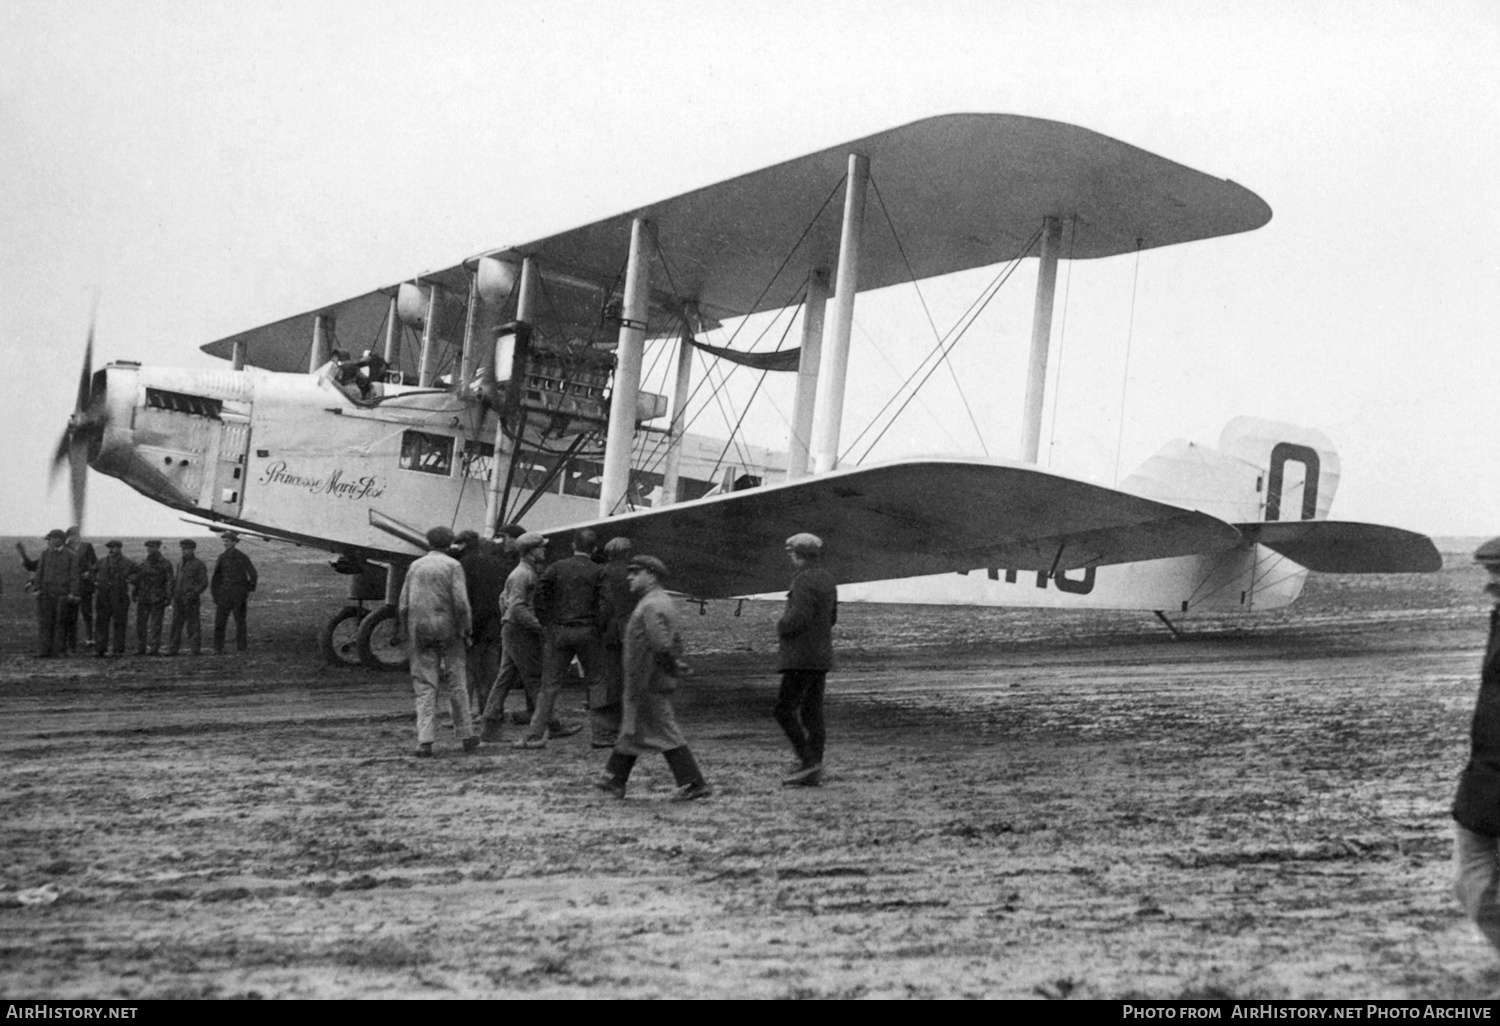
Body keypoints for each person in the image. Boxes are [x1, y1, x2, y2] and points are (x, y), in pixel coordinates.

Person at [594, 555, 711, 801]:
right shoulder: (659, 601)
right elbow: (673, 642)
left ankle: (695, 782)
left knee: (664, 731)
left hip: (648, 681)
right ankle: (614, 778)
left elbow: (660, 644)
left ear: (651, 575)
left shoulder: (651, 605)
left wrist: (670, 666)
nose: (630, 577)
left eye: (636, 573)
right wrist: (675, 666)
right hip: (648, 679)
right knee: (632, 729)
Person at [1453, 536, 1500, 960]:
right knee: (1474, 884)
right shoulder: (1499, 618)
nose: (1491, 587)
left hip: (1492, 775)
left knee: (1478, 885)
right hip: (1487, 773)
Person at [397, 525, 479, 758]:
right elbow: (461, 603)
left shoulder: (415, 566)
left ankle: (425, 740)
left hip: (420, 629)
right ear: (450, 543)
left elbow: (403, 603)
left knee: (424, 686)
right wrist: (466, 629)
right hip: (448, 628)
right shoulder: (453, 566)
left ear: (429, 542)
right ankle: (465, 734)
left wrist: (406, 630)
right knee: (457, 681)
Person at [479, 532, 568, 741]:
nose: (544, 550)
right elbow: (517, 607)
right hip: (520, 631)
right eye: (541, 547)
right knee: (535, 679)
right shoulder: (523, 575)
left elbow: (504, 601)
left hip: (513, 629)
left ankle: (489, 726)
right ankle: (552, 725)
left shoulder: (522, 572)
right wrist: (539, 626)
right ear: (531, 551)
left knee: (505, 678)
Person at [516, 529, 600, 750]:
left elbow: (540, 596)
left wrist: (547, 623)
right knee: (596, 683)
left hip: (559, 631)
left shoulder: (556, 567)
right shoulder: (598, 571)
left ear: (573, 546)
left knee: (549, 686)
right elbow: (605, 605)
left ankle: (535, 735)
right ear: (595, 549)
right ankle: (602, 733)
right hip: (587, 631)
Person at [774, 532, 838, 787]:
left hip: (800, 657)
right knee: (813, 711)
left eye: (791, 553)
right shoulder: (827, 579)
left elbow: (797, 617)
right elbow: (832, 617)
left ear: (798, 555)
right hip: (821, 656)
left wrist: (782, 626)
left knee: (783, 710)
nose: (790, 557)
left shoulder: (802, 580)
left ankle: (808, 761)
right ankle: (814, 762)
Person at [455, 530, 507, 716]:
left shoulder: (463, 564)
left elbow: (463, 598)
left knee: (469, 672)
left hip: (473, 624)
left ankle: (465, 714)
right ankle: (490, 711)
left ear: (464, 544)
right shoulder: (499, 564)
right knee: (491, 671)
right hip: (494, 624)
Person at [594, 536, 637, 749]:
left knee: (610, 679)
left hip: (608, 631)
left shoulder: (600, 572)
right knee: (631, 677)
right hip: (631, 630)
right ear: (627, 553)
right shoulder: (634, 573)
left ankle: (608, 728)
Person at [17, 530, 80, 658]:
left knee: (61, 623)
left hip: (62, 594)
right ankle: (44, 651)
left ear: (60, 540)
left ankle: (59, 651)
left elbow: (74, 576)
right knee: (45, 623)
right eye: (49, 539)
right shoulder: (45, 554)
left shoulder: (71, 556)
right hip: (46, 594)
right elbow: (39, 573)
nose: (49, 541)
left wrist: (73, 593)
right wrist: (37, 589)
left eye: (51, 539)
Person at [211, 531, 257, 654]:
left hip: (238, 594)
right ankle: (218, 647)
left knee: (240, 622)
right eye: (224, 541)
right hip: (224, 594)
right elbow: (216, 577)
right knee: (220, 622)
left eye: (228, 541)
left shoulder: (242, 556)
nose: (226, 543)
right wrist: (215, 594)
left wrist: (246, 590)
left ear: (235, 542)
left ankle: (241, 647)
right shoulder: (222, 557)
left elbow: (253, 574)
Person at [93, 540, 135, 657]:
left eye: (114, 547)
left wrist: (130, 579)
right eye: (110, 547)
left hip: (119, 597)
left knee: (119, 623)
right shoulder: (102, 562)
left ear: (120, 548)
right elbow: (91, 572)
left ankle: (118, 649)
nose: (111, 550)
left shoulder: (127, 562)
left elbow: (138, 573)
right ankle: (100, 649)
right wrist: (95, 582)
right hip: (103, 597)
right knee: (101, 623)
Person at [166, 539, 208, 656]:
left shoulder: (198, 564)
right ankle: (173, 649)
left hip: (191, 600)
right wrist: (173, 593)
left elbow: (203, 583)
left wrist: (193, 593)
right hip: (178, 599)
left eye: (187, 549)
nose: (184, 551)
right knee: (176, 625)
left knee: (193, 625)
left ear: (193, 549)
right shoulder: (180, 563)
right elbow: (176, 580)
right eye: (183, 549)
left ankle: (195, 649)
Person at [132, 540, 174, 656]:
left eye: (152, 547)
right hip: (144, 598)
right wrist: (135, 592)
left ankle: (154, 649)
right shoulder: (144, 563)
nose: (149, 549)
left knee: (155, 625)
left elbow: (170, 582)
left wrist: (168, 597)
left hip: (157, 598)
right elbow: (139, 579)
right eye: (148, 547)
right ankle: (141, 648)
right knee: (141, 625)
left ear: (158, 548)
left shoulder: (165, 563)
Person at [65, 527, 98, 652]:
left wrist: (89, 573)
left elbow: (95, 562)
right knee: (71, 615)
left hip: (85, 586)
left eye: (76, 534)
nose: (75, 536)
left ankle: (90, 638)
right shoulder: (66, 548)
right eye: (72, 534)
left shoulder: (87, 546)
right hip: (72, 586)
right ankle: (71, 640)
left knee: (87, 613)